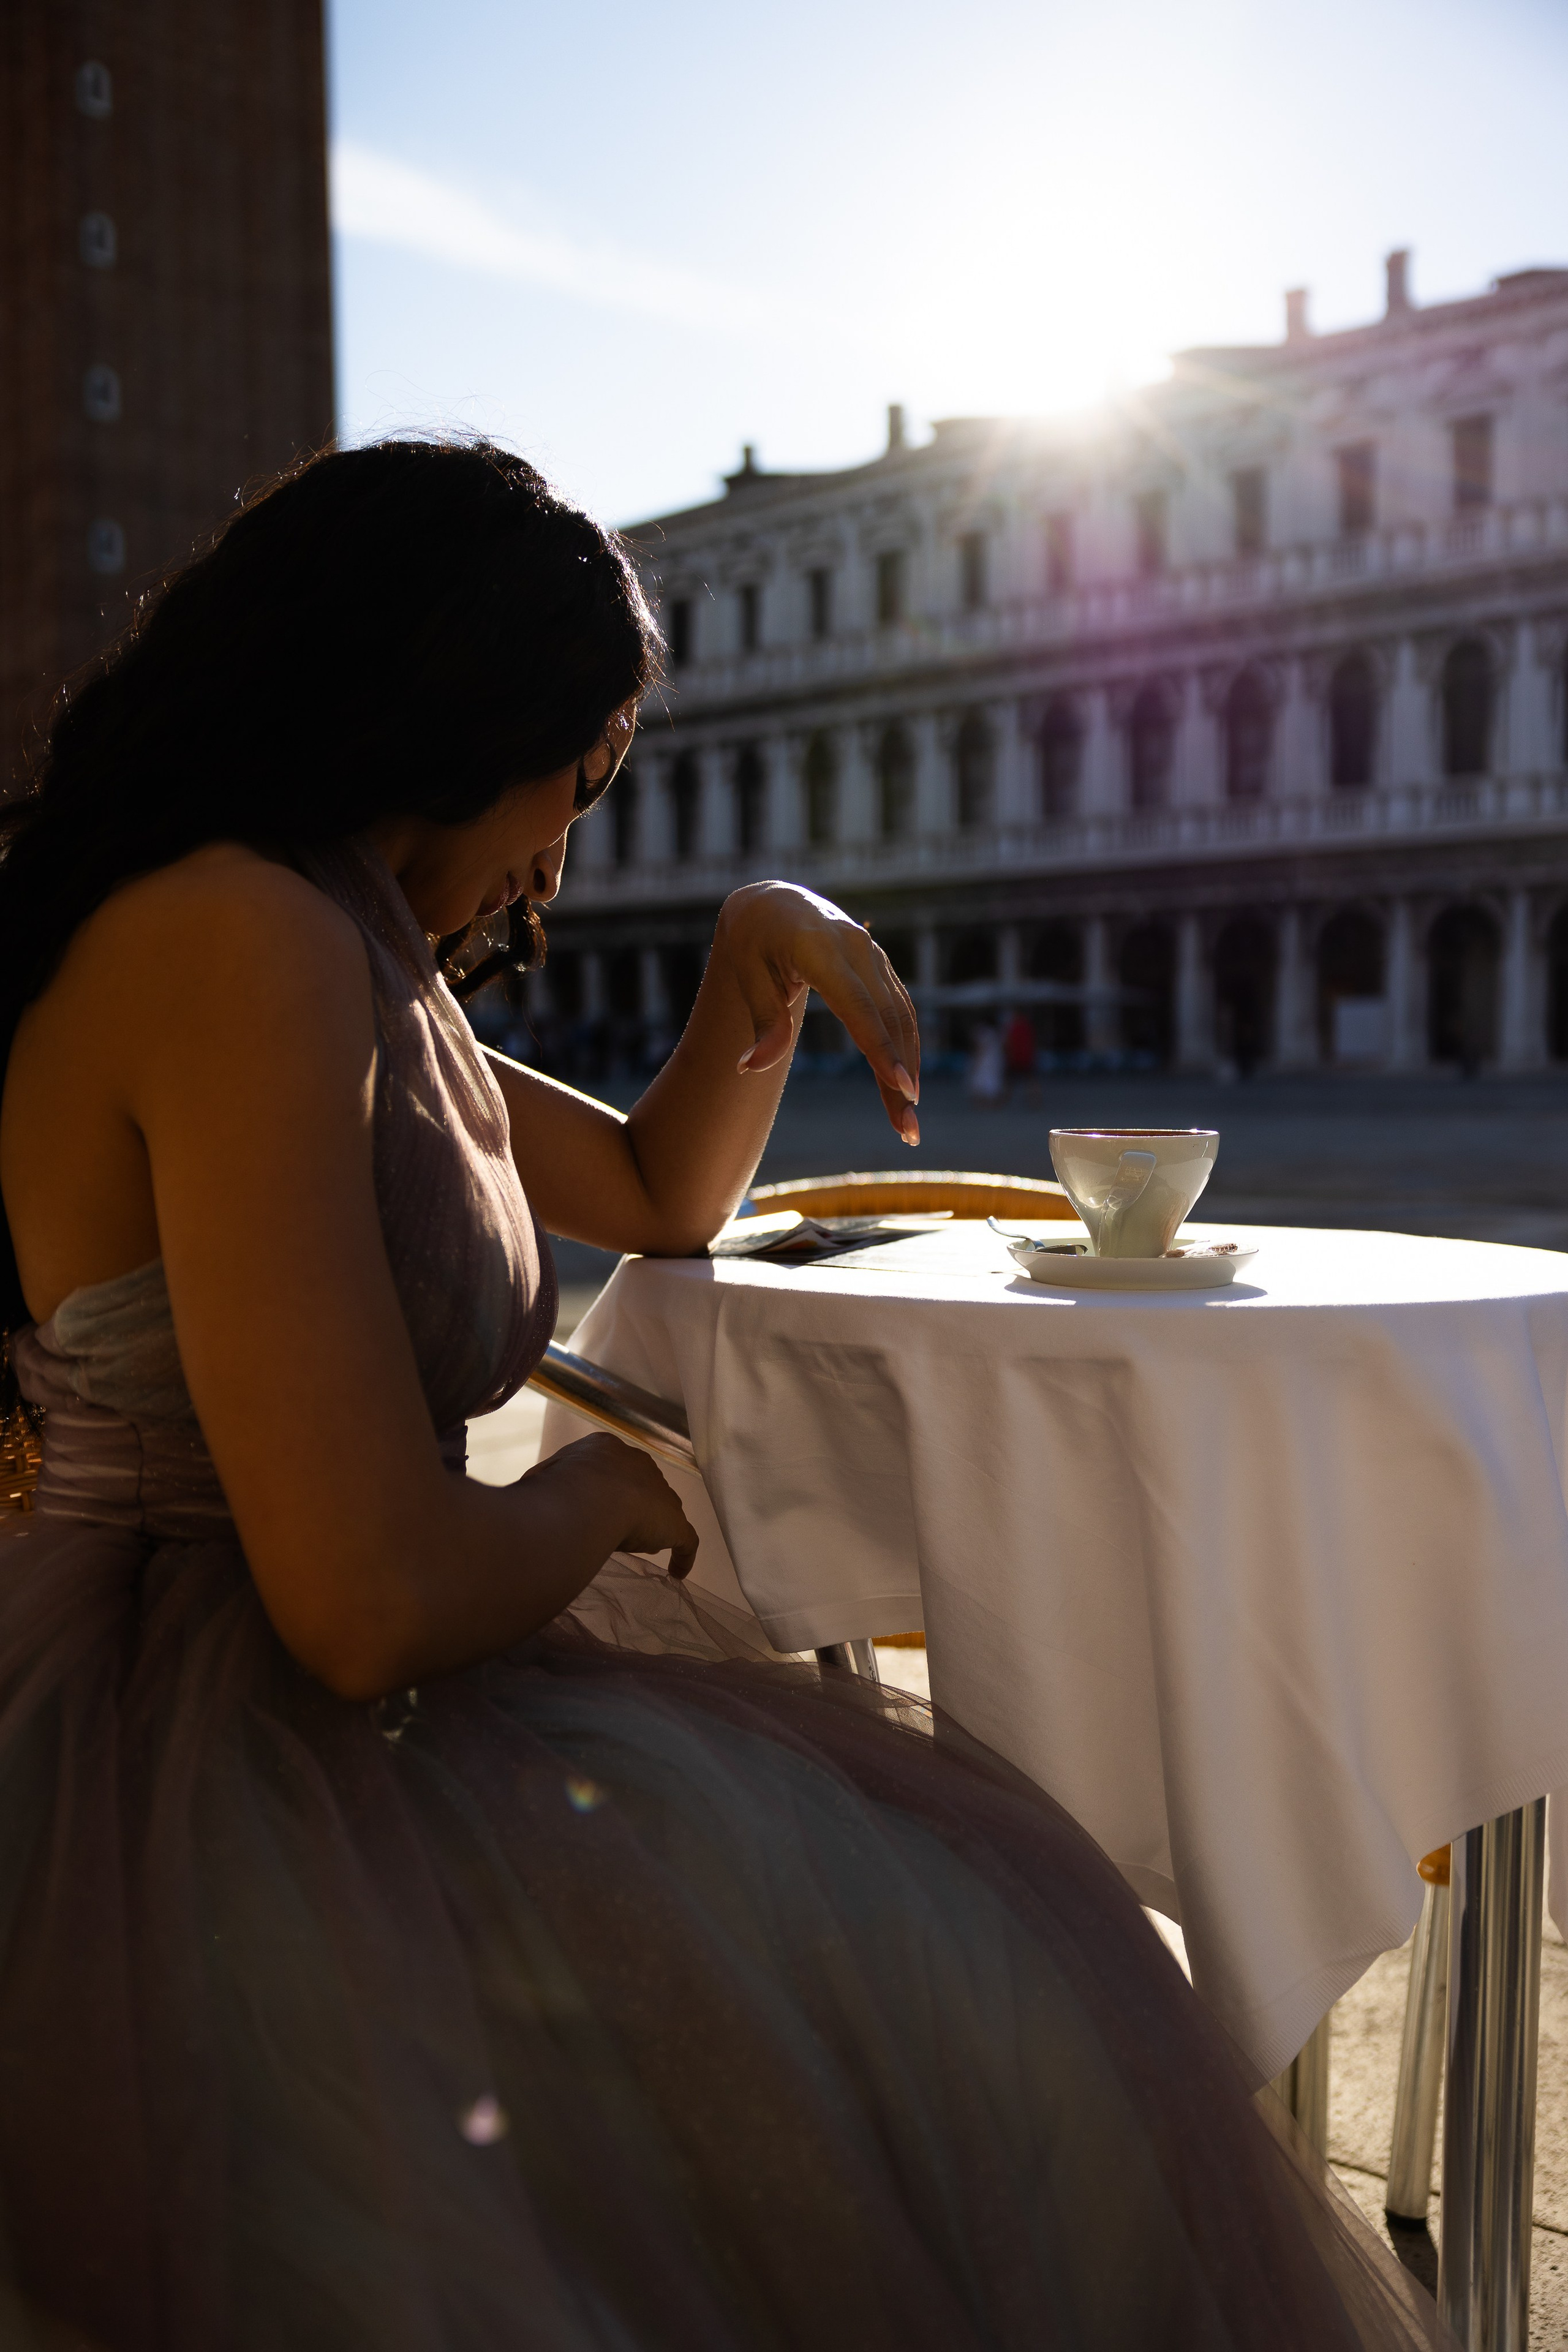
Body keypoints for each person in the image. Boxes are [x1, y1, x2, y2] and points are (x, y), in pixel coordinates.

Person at [0, 440, 1446, 2350]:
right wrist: (592, 1505)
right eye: (581, 768)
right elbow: (360, 1600)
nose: (567, 844)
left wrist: (755, 949)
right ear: (452, 707)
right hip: (217, 1733)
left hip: (327, 1692)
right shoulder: (244, 944)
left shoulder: (338, 954)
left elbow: (661, 1196)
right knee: (983, 2001)